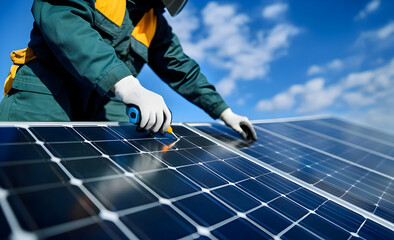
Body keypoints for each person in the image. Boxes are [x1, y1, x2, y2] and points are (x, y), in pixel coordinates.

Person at [0, 0, 257, 141]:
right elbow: (62, 17)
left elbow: (182, 68)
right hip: (47, 90)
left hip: (101, 104)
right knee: (31, 174)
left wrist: (224, 111)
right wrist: (128, 85)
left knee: (117, 175)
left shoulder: (154, 21)